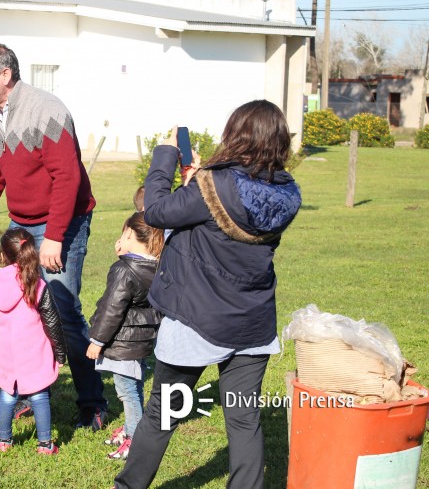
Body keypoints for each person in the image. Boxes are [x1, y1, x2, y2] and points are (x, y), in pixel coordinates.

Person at [114, 100, 302, 489]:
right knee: (244, 417)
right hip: (253, 323)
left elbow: (156, 212)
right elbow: (227, 208)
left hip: (196, 321)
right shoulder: (285, 192)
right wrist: (198, 181)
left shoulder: (212, 186)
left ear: (236, 134)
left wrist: (166, 153)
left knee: (162, 414)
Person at [0, 42, 107, 429]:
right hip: (21, 225)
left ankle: (92, 402)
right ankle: (29, 392)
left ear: (5, 75)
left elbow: (68, 177)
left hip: (63, 223)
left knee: (61, 308)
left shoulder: (48, 109)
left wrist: (56, 237)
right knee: (25, 311)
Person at [86, 212, 164, 460]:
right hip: (141, 341)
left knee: (127, 392)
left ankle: (134, 440)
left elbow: (112, 308)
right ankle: (131, 429)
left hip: (122, 343)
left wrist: (97, 341)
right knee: (135, 386)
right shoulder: (157, 266)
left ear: (129, 233)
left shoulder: (124, 270)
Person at [0, 229, 67, 454]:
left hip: (6, 352)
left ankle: (3, 442)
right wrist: (60, 354)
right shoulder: (37, 284)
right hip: (35, 353)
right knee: (39, 395)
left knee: (7, 395)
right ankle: (45, 445)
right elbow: (52, 322)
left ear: (3, 255)